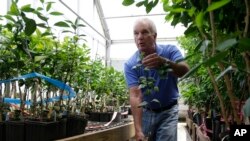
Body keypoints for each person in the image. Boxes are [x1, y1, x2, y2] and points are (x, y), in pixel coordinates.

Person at [124, 18, 189, 141]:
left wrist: (165, 62)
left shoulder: (170, 51)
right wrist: (138, 130)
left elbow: (185, 70)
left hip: (168, 111)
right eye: (136, 33)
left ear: (154, 36)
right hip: (146, 113)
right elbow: (135, 95)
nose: (139, 37)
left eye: (144, 32)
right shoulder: (131, 64)